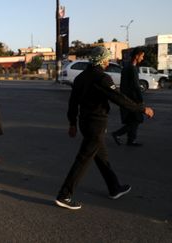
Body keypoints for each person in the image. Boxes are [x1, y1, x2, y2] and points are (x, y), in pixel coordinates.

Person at [55, 46, 154, 210]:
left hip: (84, 123)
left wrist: (72, 123)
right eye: (107, 59)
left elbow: (72, 103)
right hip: (96, 124)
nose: (109, 62)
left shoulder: (80, 77)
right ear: (101, 60)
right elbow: (119, 98)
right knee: (83, 159)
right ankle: (64, 195)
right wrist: (142, 108)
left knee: (102, 157)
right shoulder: (101, 78)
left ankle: (114, 188)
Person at [112, 47, 145, 146]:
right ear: (137, 56)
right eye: (142, 56)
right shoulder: (132, 68)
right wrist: (141, 100)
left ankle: (131, 140)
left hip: (126, 98)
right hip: (132, 99)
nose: (142, 58)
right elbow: (136, 86)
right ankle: (117, 134)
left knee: (132, 120)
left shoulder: (126, 67)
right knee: (137, 119)